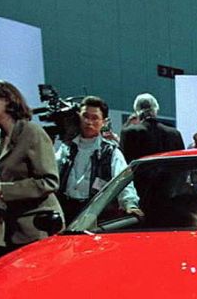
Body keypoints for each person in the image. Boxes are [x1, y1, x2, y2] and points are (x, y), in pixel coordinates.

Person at [0, 80, 62, 263]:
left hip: (37, 228)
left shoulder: (32, 132)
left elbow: (49, 181)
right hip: (9, 228)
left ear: (7, 100)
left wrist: (2, 189)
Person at [55, 96, 142, 224]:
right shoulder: (66, 148)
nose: (89, 122)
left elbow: (123, 181)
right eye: (85, 116)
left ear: (104, 122)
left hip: (94, 214)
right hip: (65, 211)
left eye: (95, 118)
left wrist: (130, 204)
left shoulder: (111, 152)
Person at [119, 92, 185, 161]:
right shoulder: (175, 134)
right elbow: (182, 163)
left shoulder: (129, 133)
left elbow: (123, 163)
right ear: (156, 109)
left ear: (137, 111)